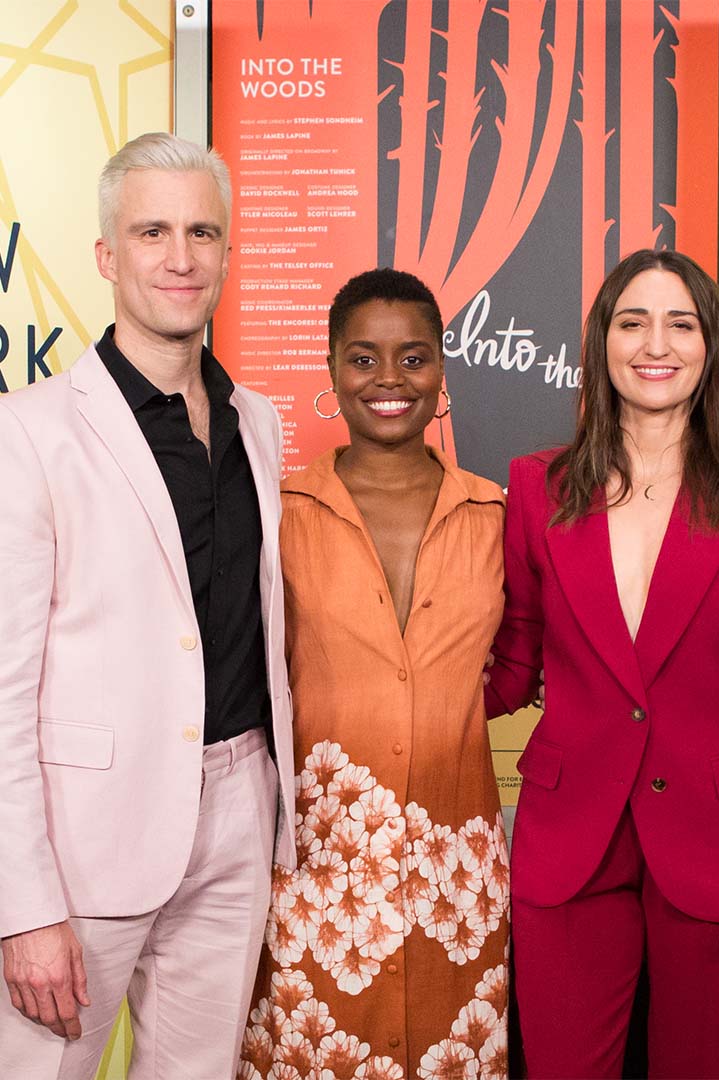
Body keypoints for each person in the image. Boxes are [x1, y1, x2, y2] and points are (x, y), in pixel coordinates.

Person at [485, 249, 719, 1078]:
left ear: (710, 344)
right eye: (632, 321)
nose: (655, 343)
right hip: (570, 845)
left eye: (681, 322)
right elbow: (512, 664)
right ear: (603, 341)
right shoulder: (537, 488)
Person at [0, 132, 296, 1079]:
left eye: (203, 231)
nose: (181, 257)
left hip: (239, 810)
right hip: (81, 839)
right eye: (153, 231)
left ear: (227, 252)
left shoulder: (261, 420)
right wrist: (23, 904)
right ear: (106, 257)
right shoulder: (29, 432)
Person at [239, 269, 510, 1080]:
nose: (389, 380)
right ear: (331, 368)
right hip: (313, 873)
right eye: (364, 358)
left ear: (442, 369)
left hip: (456, 881)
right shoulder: (276, 515)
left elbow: (529, 662)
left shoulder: (497, 516)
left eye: (413, 357)